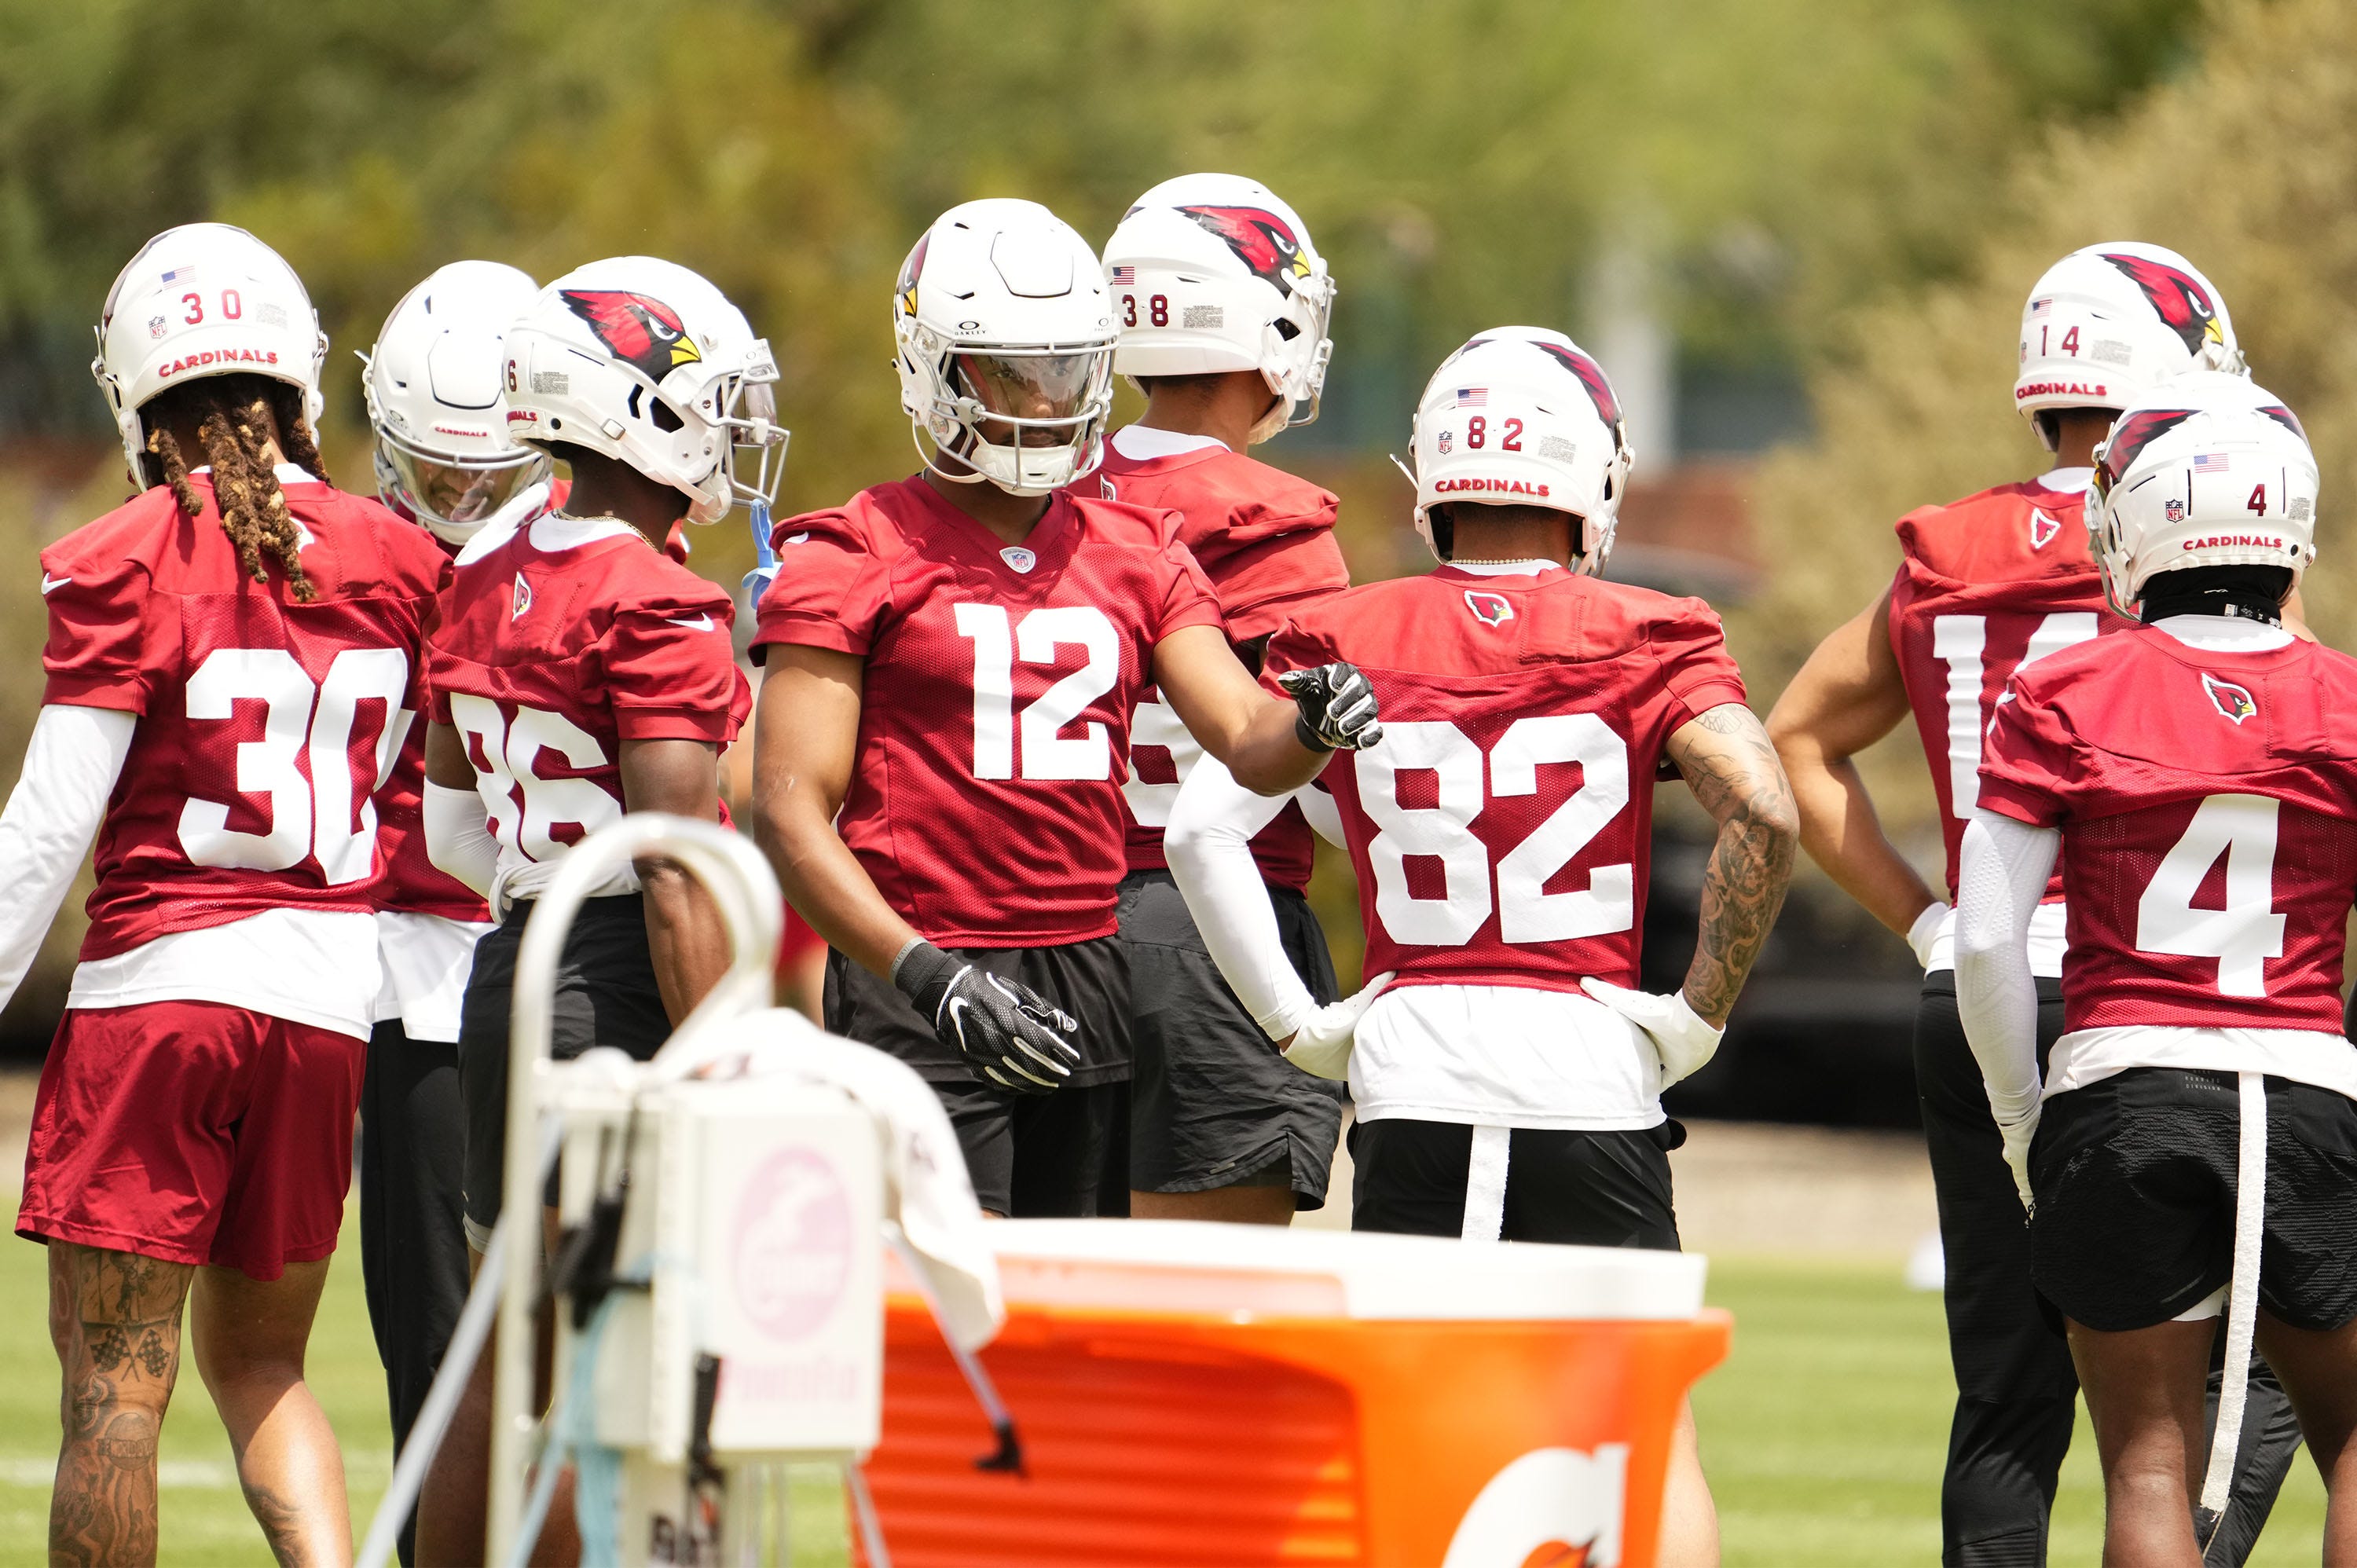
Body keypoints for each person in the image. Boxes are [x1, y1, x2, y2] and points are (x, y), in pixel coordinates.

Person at [1168, 328, 1796, 1566]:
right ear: (1591, 480)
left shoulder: (1344, 626)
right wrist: (1696, 1013)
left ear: (1434, 480)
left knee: (1419, 1427)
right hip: (1587, 1067)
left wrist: (1299, 1024)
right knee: (1643, 1429)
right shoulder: (1649, 627)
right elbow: (1766, 811)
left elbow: (1201, 833)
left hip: (1416, 1067)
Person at [1765, 242, 2299, 1566]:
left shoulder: (1948, 554)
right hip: (2153, 995)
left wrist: (1928, 921)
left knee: (2007, 1400)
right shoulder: (2190, 526)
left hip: (1977, 981)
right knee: (2248, 1377)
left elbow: (1795, 739)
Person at [748, 198, 1382, 1221]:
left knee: (1073, 1321)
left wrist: (1314, 723)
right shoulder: (857, 550)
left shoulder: (1137, 546)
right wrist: (923, 975)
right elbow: (787, 807)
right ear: (935, 366)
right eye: (1008, 373)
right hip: (922, 964)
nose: (1042, 405)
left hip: (1092, 971)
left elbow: (1247, 740)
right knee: (938, 1315)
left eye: (1065, 372)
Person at [0, 223, 446, 1566]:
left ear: (140, 390)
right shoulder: (398, 557)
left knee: (114, 1403)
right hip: (321, 1014)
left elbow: (50, 826)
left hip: (162, 1003)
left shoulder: (131, 551)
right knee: (268, 1372)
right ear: (299, 383)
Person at [412, 255, 782, 1563]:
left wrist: (539, 882)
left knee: (505, 1346)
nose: (731, 428)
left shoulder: (485, 563)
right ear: (636, 407)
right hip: (624, 979)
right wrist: (737, 1052)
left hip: (515, 965)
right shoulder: (658, 601)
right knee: (608, 1353)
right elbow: (680, 864)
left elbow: (448, 821)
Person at [1957, 372, 2357, 1566]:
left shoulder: (2065, 685)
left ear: (2132, 522)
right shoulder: (2345, 698)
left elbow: (1986, 935)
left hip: (2123, 1084)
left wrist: (2023, 1117)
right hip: (2303, 1084)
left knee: (2147, 1457)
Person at [1091, 173, 1353, 1222]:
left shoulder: (1043, 501)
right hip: (1216, 937)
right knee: (1210, 1326)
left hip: (1043, 928)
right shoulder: (1271, 519)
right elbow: (1331, 786)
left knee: (1057, 1316)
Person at [355, 257, 552, 1566]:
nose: (466, 513)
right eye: (442, 482)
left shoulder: (596, 571)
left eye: (494, 483)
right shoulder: (354, 564)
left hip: (542, 973)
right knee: (443, 1368)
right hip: (419, 979)